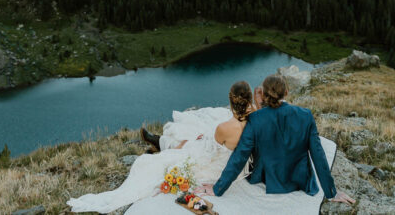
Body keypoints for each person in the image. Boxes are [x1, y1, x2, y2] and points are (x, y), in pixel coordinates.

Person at [67, 81, 256, 213]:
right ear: (248, 101)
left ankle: (159, 143)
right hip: (241, 164)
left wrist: (196, 142)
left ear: (231, 101)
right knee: (191, 139)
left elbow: (210, 152)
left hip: (219, 164)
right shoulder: (255, 116)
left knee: (177, 149)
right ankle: (160, 142)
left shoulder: (224, 128)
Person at [199, 74, 353, 204]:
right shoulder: (306, 115)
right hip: (298, 179)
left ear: (264, 95)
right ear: (286, 92)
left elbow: (239, 156)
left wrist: (217, 188)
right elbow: (318, 155)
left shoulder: (255, 118)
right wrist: (331, 192)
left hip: (267, 177)